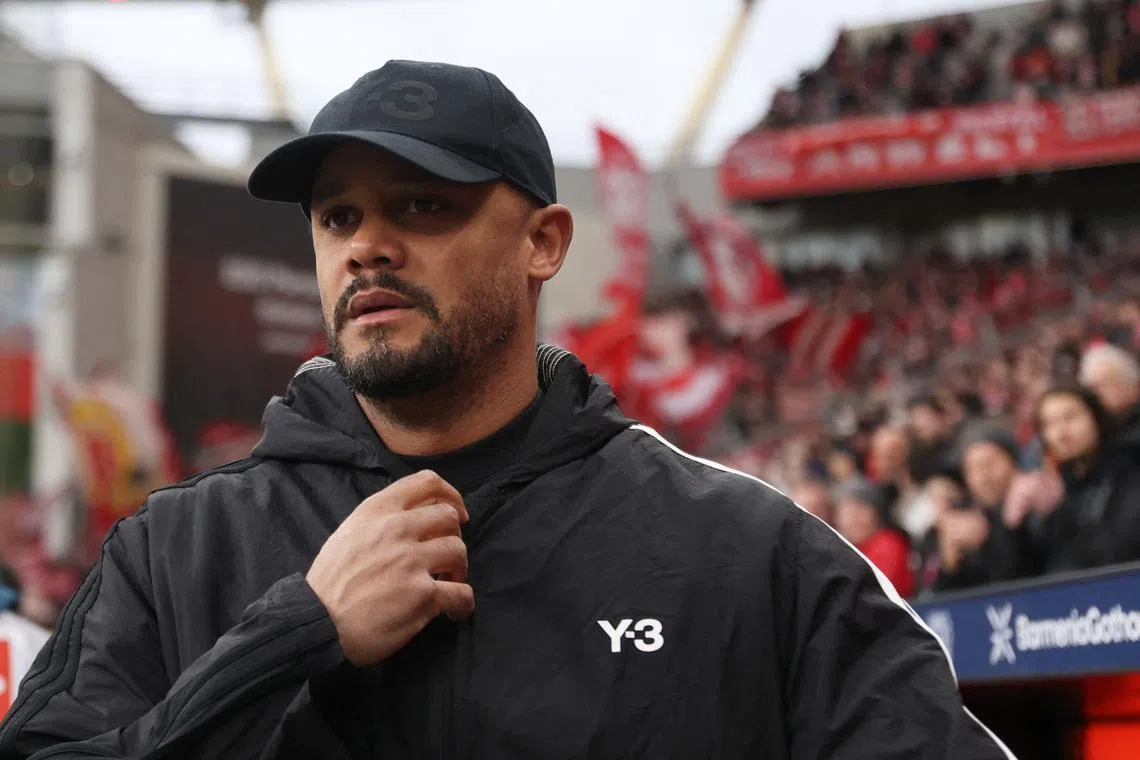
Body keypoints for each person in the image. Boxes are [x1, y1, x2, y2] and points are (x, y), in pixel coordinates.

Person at [0, 61, 1014, 759]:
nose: (367, 245)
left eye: (422, 205)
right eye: (339, 216)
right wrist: (295, 636)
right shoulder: (177, 546)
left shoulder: (747, 552)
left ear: (545, 242)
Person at [1034, 385, 1140, 573]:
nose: (1061, 434)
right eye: (1049, 424)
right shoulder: (1060, 489)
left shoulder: (1129, 469)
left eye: (1070, 418)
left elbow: (1120, 550)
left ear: (1096, 417)